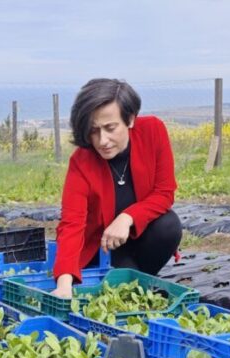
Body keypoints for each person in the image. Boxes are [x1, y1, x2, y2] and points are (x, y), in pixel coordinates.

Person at [51, 78, 182, 298]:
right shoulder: (82, 161)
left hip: (141, 238)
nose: (102, 140)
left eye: (110, 128)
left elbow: (164, 192)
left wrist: (127, 217)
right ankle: (139, 287)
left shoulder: (152, 131)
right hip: (103, 248)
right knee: (126, 285)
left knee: (168, 225)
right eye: (93, 131)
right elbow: (72, 224)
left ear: (130, 119)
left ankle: (141, 283)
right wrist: (64, 284)